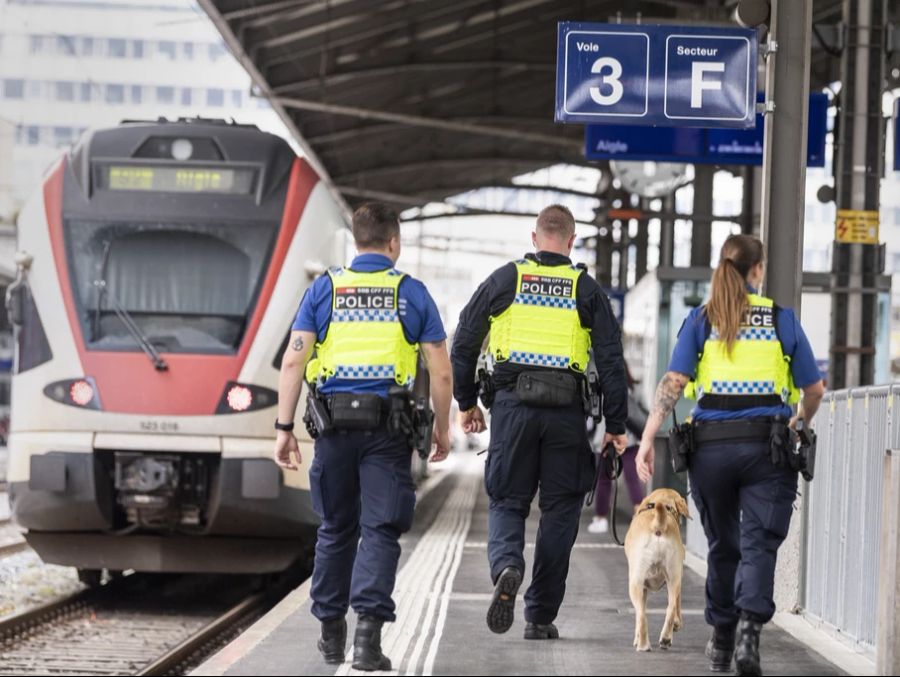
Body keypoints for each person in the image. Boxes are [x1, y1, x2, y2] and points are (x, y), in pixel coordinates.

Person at [273, 202, 453, 672]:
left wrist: (284, 428)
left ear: (356, 241)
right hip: (387, 433)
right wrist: (441, 427)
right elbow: (441, 369)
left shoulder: (324, 289)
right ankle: (368, 641)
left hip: (332, 430)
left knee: (335, 528)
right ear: (394, 242)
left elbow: (293, 361)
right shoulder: (410, 293)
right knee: (380, 529)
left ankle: (331, 635)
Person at [635, 234, 825, 676]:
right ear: (757, 270)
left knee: (724, 545)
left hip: (712, 450)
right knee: (758, 545)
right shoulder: (782, 320)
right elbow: (814, 389)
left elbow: (673, 385)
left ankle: (720, 641)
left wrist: (647, 438)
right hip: (767, 448)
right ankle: (748, 638)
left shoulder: (702, 320)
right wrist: (800, 419)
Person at [451, 204, 629, 640]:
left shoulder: (505, 279)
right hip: (566, 414)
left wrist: (466, 401)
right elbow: (610, 362)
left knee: (508, 500)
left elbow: (464, 341)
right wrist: (616, 424)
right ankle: (540, 615)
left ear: (534, 239)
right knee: (561, 511)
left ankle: (508, 564)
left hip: (512, 411)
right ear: (571, 241)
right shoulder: (585, 290)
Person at [588, 364, 646, 534]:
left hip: (606, 439)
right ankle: (641, 516)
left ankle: (600, 519)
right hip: (630, 438)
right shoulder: (634, 388)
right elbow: (643, 410)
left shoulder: (603, 387)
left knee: (604, 480)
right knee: (632, 478)